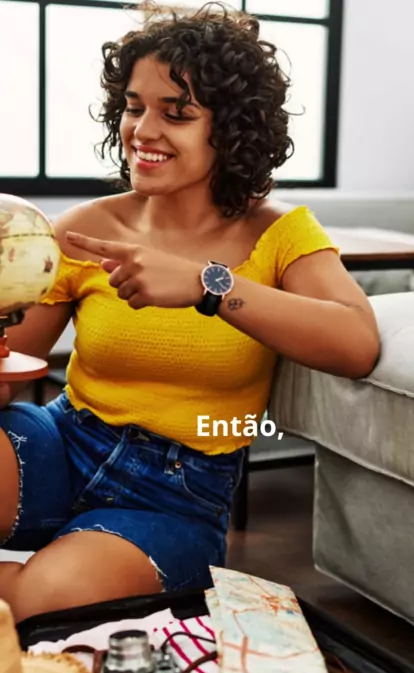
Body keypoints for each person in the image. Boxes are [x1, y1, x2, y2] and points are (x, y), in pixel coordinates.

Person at [0, 3, 380, 623]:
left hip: (176, 494)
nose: (143, 130)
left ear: (231, 130)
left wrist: (209, 286)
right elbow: (15, 363)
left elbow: (356, 342)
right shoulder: (84, 229)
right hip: (61, 442)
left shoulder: (281, 233)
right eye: (134, 107)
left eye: (177, 113)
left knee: (39, 600)